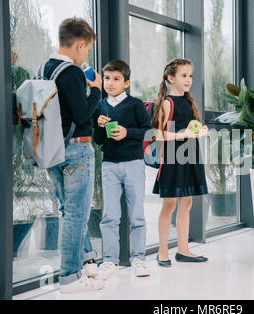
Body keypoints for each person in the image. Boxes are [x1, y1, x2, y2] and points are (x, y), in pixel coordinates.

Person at [44, 17, 103, 294]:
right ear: (80, 43)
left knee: (70, 210)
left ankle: (87, 262)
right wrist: (97, 91)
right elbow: (82, 114)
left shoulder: (45, 68)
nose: (86, 55)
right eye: (87, 49)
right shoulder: (71, 71)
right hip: (76, 148)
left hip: (51, 149)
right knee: (77, 214)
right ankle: (70, 277)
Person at [93, 59, 152, 279]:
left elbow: (149, 132)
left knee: (137, 215)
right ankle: (110, 261)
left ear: (126, 82)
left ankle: (139, 259)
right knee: (109, 216)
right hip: (109, 165)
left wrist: (127, 133)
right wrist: (98, 127)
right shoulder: (99, 106)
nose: (110, 83)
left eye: (116, 79)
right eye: (106, 78)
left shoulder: (136, 104)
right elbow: (98, 140)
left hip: (134, 164)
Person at [151, 58, 209, 267]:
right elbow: (156, 134)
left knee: (187, 202)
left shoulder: (188, 101)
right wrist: (182, 134)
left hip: (189, 155)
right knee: (170, 204)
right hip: (173, 158)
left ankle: (183, 249)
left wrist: (200, 131)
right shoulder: (167, 102)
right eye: (184, 75)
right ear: (170, 78)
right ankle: (162, 251)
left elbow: (191, 127)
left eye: (191, 76)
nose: (189, 80)